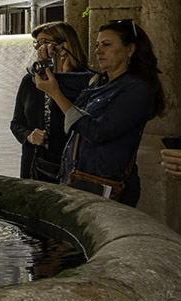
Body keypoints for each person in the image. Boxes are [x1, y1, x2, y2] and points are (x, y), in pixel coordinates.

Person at [34, 19, 164, 206]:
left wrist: (56, 95)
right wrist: (45, 60)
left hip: (104, 186)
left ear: (130, 49)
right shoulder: (99, 80)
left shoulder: (138, 90)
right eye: (97, 45)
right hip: (78, 179)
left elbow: (97, 132)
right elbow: (44, 79)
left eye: (107, 45)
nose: (98, 50)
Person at [9, 22, 91, 183]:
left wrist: (59, 72)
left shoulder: (85, 81)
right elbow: (16, 123)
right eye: (37, 44)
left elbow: (83, 124)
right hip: (34, 165)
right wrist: (29, 136)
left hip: (71, 167)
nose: (40, 50)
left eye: (45, 43)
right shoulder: (30, 80)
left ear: (64, 46)